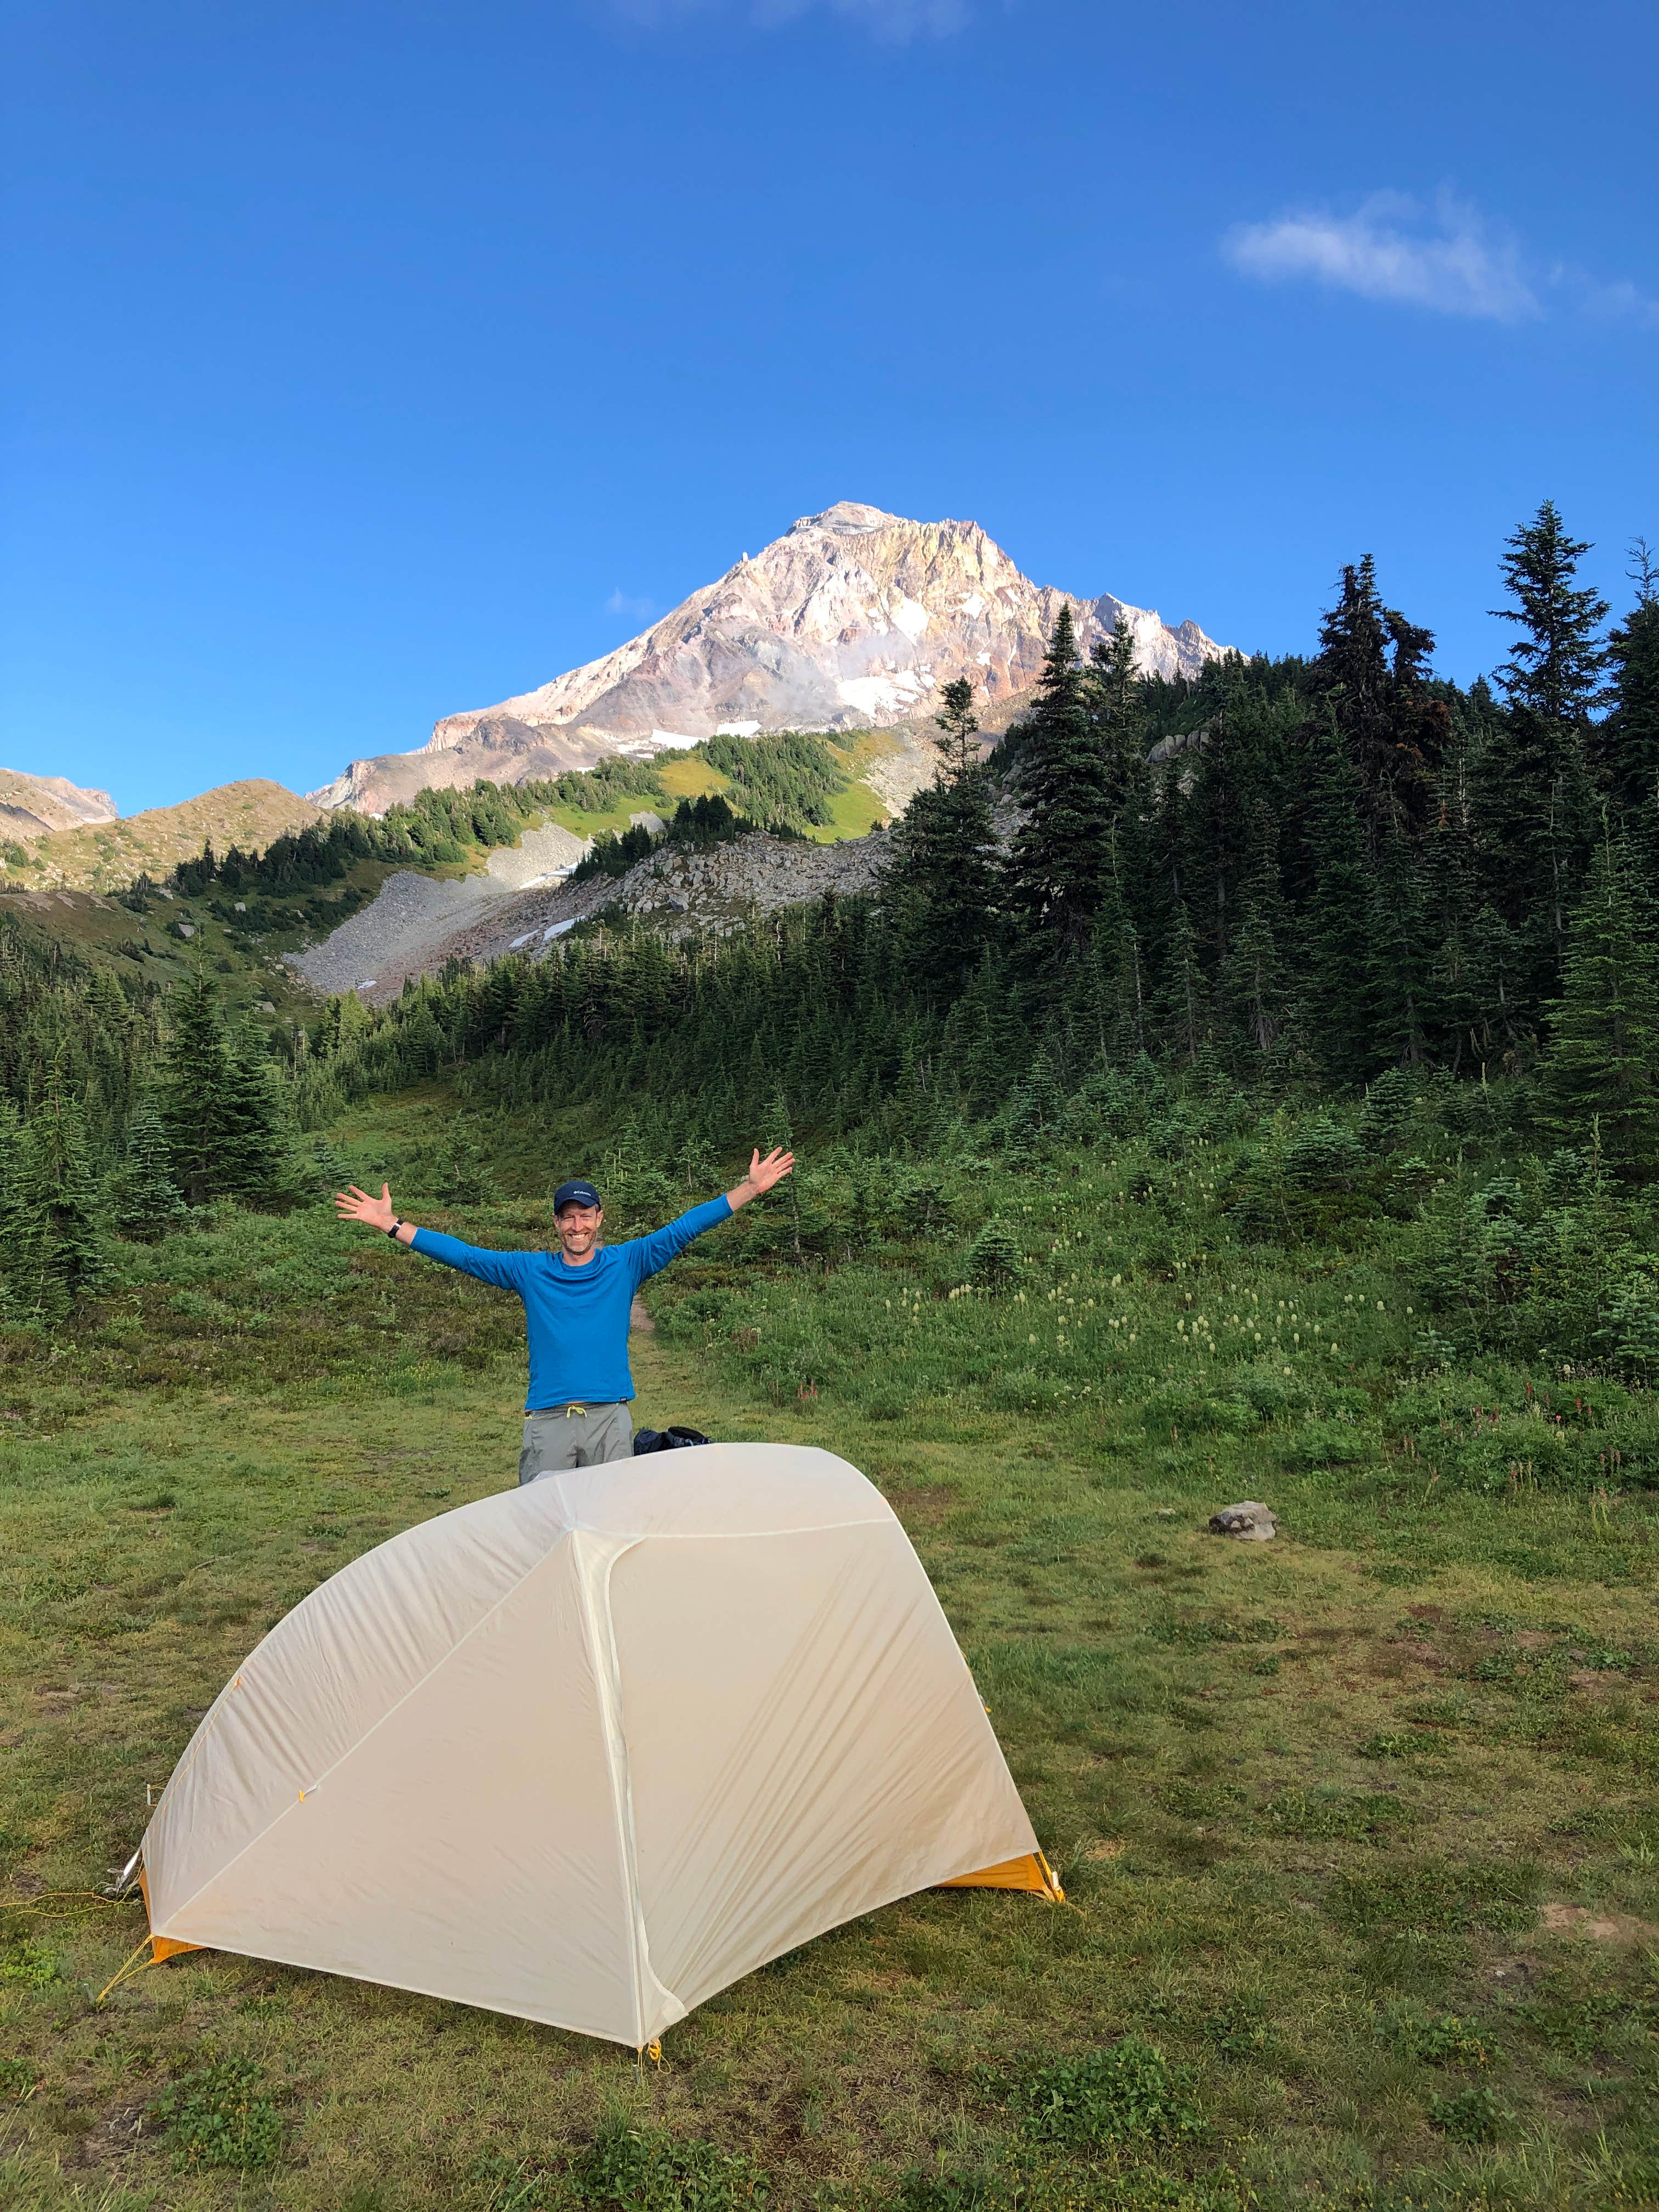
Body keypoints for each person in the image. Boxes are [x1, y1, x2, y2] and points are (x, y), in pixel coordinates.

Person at [334, 1148, 795, 1479]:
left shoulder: (628, 1262)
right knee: (542, 1526)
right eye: (568, 1217)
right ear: (557, 1222)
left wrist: (749, 1189)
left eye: (585, 1216)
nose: (577, 1225)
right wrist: (391, 1225)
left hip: (609, 1420)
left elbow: (684, 1228)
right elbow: (464, 1255)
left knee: (611, 1524)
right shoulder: (529, 1270)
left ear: (599, 1219)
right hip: (548, 1420)